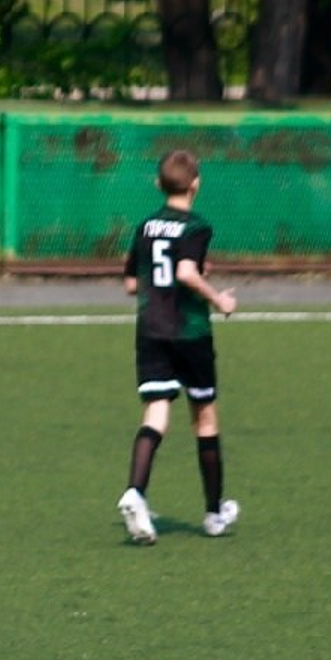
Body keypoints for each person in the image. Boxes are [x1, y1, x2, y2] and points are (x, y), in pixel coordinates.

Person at [116, 147, 240, 543]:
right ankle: (213, 512)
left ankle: (135, 492)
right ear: (196, 184)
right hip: (188, 332)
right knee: (204, 415)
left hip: (150, 328)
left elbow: (133, 284)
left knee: (156, 410)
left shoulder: (146, 226)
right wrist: (218, 297)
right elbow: (185, 272)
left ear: (158, 184)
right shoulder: (196, 225)